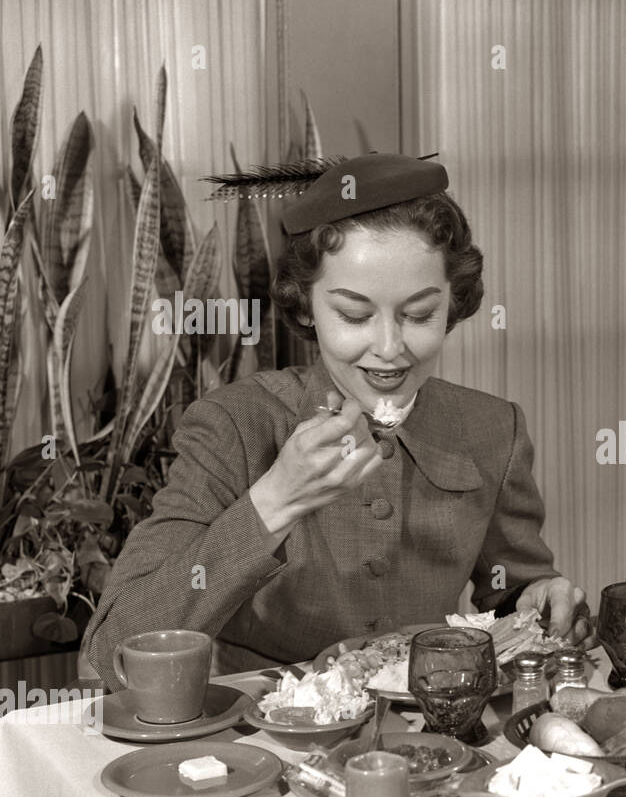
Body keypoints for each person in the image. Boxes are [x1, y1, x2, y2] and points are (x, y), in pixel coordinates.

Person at [84, 153, 591, 682]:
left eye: (420, 315)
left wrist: (539, 598)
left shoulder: (494, 430)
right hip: (262, 738)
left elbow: (511, 597)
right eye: (354, 315)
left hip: (429, 732)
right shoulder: (232, 425)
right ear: (305, 306)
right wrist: (275, 500)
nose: (391, 348)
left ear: (454, 304)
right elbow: (110, 656)